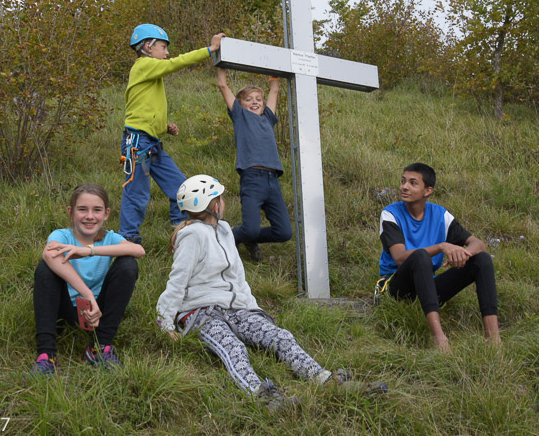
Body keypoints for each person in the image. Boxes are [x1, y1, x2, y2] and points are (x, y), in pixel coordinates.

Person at [157, 175, 386, 410]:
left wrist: (253, 309)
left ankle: (325, 380)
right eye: (221, 198)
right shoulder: (192, 236)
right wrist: (165, 323)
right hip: (201, 313)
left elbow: (238, 278)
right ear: (214, 206)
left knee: (280, 336)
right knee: (234, 349)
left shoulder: (224, 230)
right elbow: (177, 282)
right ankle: (263, 396)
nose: (224, 202)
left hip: (237, 309)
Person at [120, 24, 225, 245]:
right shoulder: (143, 65)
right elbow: (177, 63)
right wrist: (210, 49)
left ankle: (181, 230)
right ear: (148, 47)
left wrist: (163, 126)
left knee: (180, 187)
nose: (167, 53)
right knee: (137, 192)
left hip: (152, 142)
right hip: (138, 142)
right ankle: (128, 238)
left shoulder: (150, 72)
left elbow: (143, 107)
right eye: (163, 47)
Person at [378, 163, 500, 351]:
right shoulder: (390, 214)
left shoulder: (440, 215)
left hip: (428, 286)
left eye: (412, 183)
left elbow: (479, 244)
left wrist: (463, 254)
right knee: (421, 256)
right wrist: (442, 246)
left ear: (427, 191)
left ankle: (493, 339)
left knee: (482, 259)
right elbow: (400, 257)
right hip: (398, 288)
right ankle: (439, 338)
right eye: (403, 181)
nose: (404, 187)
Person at [29, 184, 145, 376]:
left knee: (128, 264)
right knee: (45, 268)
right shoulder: (61, 235)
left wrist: (89, 250)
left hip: (99, 311)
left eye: (97, 210)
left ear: (106, 214)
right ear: (71, 212)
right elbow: (49, 254)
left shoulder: (110, 238)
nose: (90, 216)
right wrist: (88, 294)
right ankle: (46, 356)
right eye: (82, 209)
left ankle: (100, 347)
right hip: (66, 309)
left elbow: (138, 250)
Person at [216, 68, 292, 261]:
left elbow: (274, 90)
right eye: (249, 99)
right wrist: (221, 66)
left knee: (284, 232)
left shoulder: (268, 118)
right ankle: (226, 239)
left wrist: (274, 74)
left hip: (273, 181)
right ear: (240, 104)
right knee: (250, 229)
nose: (255, 102)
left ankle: (249, 239)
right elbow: (223, 85)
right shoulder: (240, 116)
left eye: (258, 99)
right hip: (252, 179)